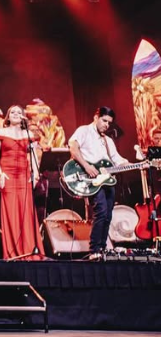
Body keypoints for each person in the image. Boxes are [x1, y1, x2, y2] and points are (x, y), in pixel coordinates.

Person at [68, 106, 129, 260]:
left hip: (107, 180)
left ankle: (102, 249)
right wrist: (87, 167)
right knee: (101, 211)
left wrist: (130, 164)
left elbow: (116, 159)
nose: (107, 125)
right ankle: (94, 249)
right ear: (96, 118)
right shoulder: (84, 131)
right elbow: (73, 148)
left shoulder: (108, 140)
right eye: (104, 121)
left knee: (108, 214)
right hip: (91, 179)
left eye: (109, 122)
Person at [0, 105, 44, 260]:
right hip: (7, 175)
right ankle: (13, 252)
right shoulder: (1, 132)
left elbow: (34, 155)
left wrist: (35, 175)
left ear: (23, 117)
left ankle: (28, 249)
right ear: (8, 116)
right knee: (11, 212)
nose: (15, 114)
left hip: (23, 175)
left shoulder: (28, 133)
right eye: (13, 112)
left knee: (26, 211)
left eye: (19, 112)